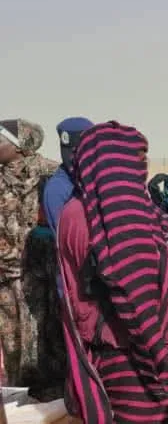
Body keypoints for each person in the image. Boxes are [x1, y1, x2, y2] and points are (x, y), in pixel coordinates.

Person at [56, 121, 168, 423]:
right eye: (135, 156)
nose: (141, 164)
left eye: (143, 156)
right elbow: (129, 272)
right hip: (131, 360)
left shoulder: (145, 207)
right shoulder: (79, 216)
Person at [0, 119, 59, 397]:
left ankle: (47, 391)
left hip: (41, 272)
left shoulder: (51, 174)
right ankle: (16, 392)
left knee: (43, 333)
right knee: (10, 337)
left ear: (21, 145)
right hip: (5, 271)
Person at [42, 117, 93, 233]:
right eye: (68, 151)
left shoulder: (103, 176)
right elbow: (63, 235)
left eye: (79, 150)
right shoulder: (57, 188)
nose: (71, 158)